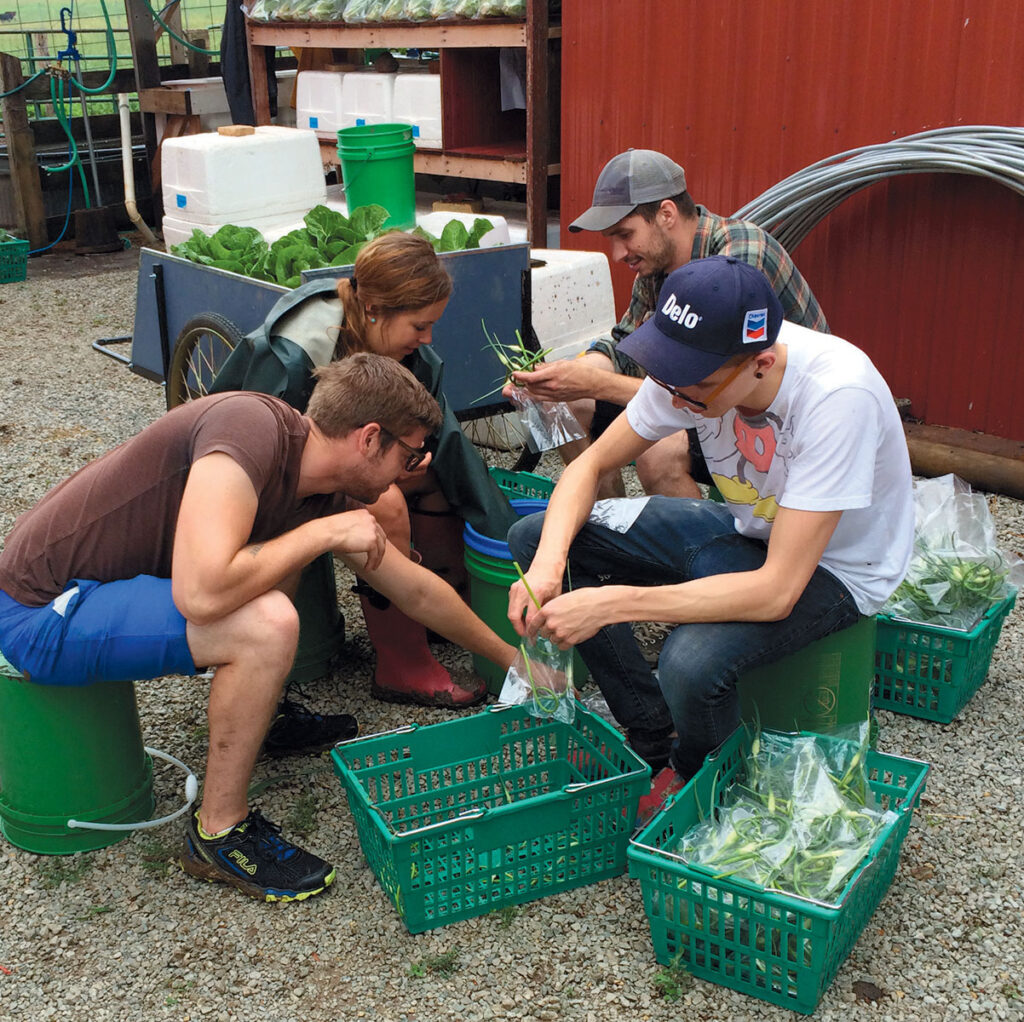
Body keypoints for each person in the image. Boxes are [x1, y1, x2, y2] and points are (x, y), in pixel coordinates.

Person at [0, 354, 517, 901]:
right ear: (369, 439)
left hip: (95, 594)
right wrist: (322, 536)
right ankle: (219, 832)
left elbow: (413, 588)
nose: (414, 469)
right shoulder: (248, 429)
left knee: (273, 577)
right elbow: (200, 594)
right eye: (411, 453)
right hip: (40, 610)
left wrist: (512, 659)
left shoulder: (323, 484)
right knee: (265, 622)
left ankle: (260, 714)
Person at [506, 256, 913, 825]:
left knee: (689, 661)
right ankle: (649, 729)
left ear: (761, 364)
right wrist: (549, 569)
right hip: (748, 529)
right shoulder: (694, 368)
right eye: (668, 375)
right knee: (535, 535)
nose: (672, 395)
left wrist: (613, 602)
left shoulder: (838, 396)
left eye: (692, 387)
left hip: (836, 570)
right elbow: (586, 466)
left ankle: (703, 777)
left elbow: (777, 591)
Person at [212, 232, 521, 709]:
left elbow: (454, 447)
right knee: (389, 504)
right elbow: (262, 462)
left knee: (436, 478)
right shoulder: (293, 358)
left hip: (343, 467)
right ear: (374, 307)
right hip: (276, 484)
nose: (428, 339)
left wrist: (511, 547)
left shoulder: (410, 355)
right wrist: (375, 481)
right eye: (420, 326)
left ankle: (445, 614)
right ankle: (403, 661)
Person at [504, 148, 829, 499]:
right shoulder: (656, 264)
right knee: (561, 404)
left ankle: (699, 550)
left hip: (768, 413)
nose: (617, 253)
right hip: (704, 394)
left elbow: (708, 386)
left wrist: (595, 383)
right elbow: (625, 345)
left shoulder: (739, 260)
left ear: (666, 214)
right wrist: (561, 377)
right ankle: (607, 524)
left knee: (657, 452)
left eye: (624, 234)